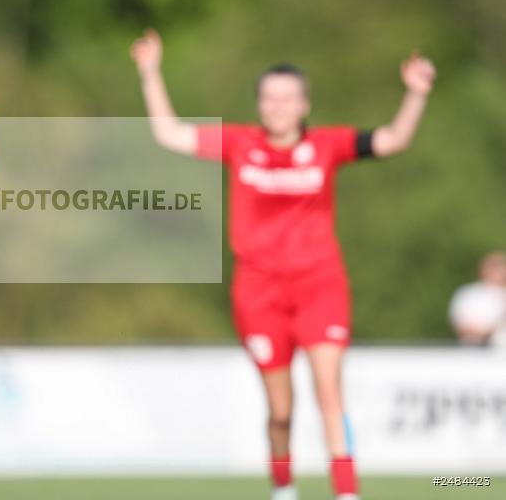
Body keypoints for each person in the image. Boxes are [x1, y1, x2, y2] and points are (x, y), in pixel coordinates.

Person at [130, 29, 434, 500]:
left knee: (329, 393)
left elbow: (392, 140)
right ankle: (283, 487)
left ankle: (346, 493)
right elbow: (169, 133)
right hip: (259, 291)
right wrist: (150, 72)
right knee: (280, 411)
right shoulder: (239, 143)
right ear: (259, 104)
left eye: (288, 98)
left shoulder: (328, 145)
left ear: (305, 104)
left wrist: (415, 94)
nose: (278, 106)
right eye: (269, 98)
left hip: (320, 283)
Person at [449, 251, 506, 346]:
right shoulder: (468, 294)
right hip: (475, 352)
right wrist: (487, 333)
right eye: (493, 266)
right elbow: (460, 325)